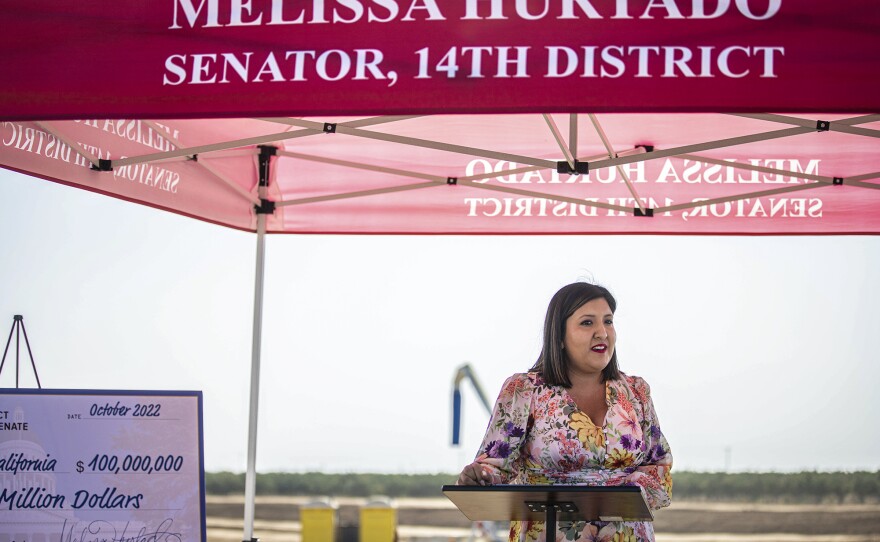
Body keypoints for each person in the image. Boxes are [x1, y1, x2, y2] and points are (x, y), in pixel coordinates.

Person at [457, 282, 672, 542]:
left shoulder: (637, 392)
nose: (602, 332)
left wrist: (623, 496)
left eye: (608, 321)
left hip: (627, 535)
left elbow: (659, 465)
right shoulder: (524, 390)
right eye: (587, 323)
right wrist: (478, 476)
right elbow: (494, 466)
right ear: (559, 336)